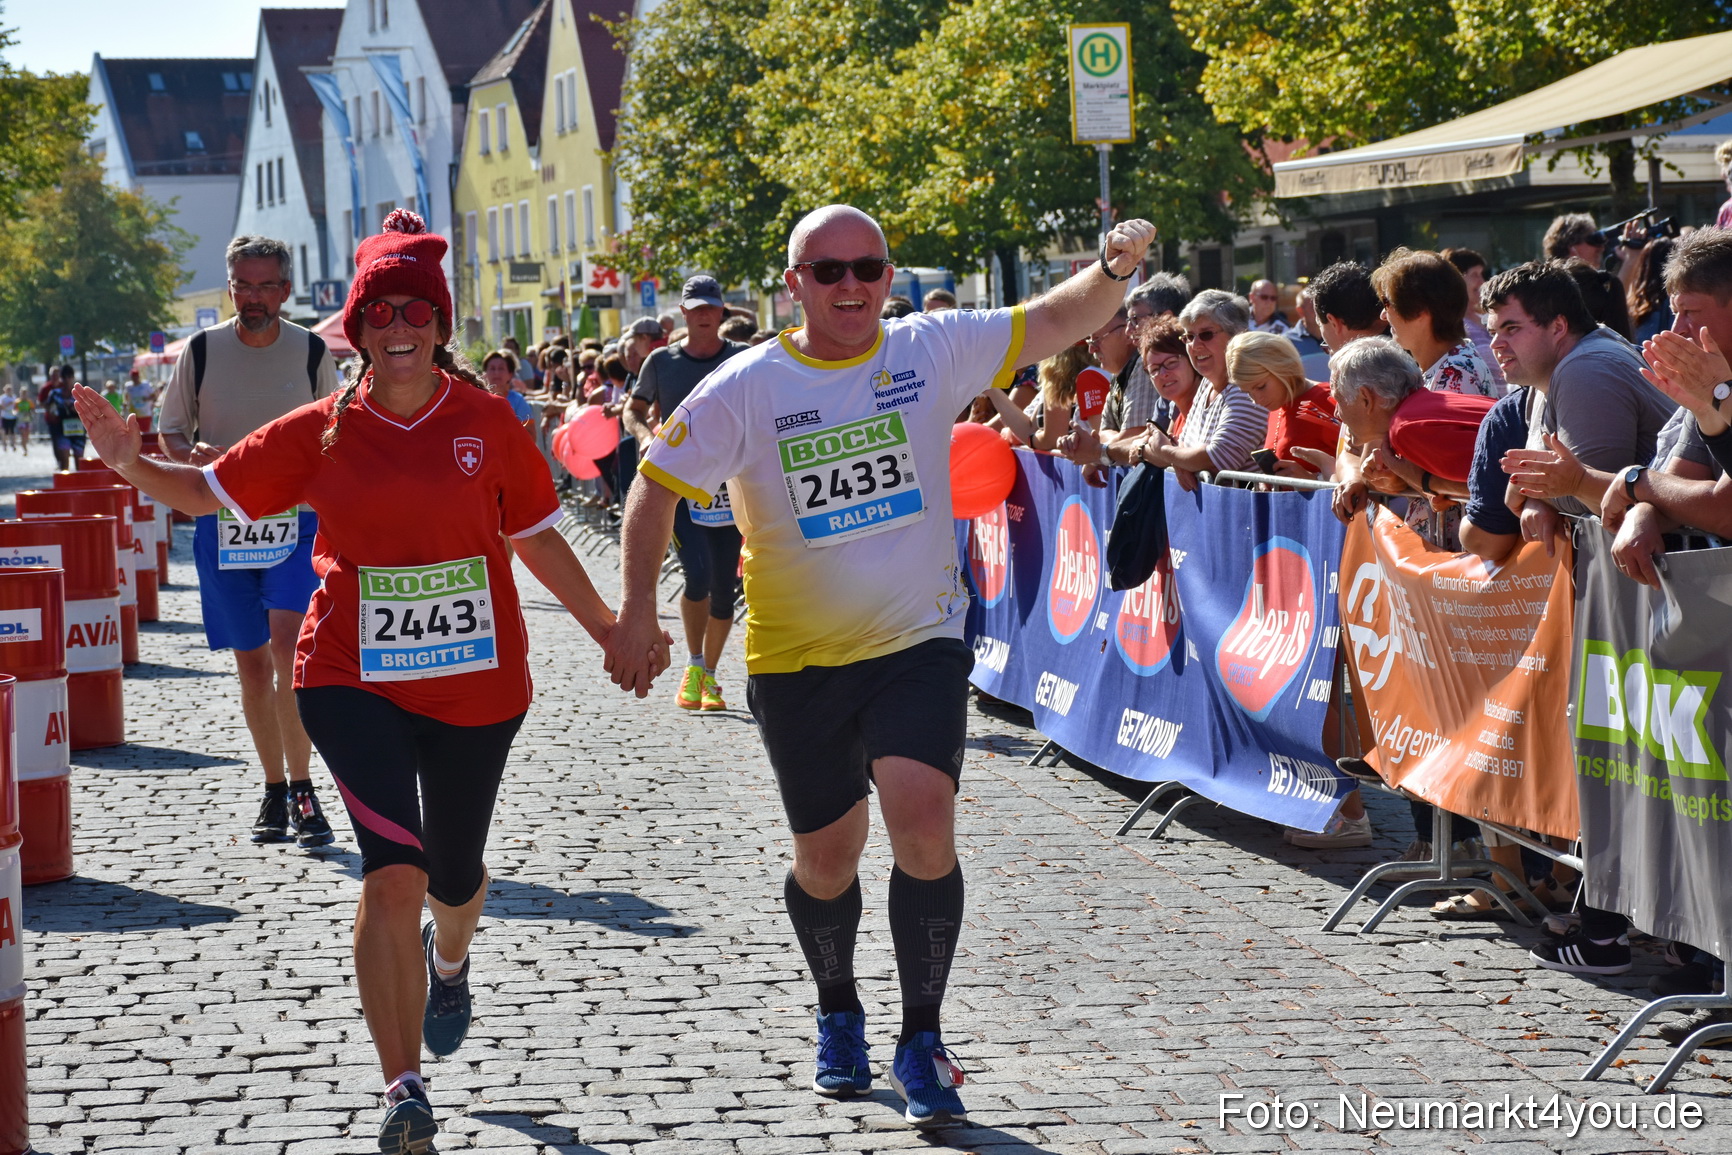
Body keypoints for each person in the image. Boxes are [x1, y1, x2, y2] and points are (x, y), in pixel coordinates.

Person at [73, 209, 639, 1155]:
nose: (401, 326)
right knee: (393, 874)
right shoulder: (322, 430)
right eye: (382, 311)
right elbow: (206, 491)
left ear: (442, 322)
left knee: (453, 881)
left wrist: (611, 626)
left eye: (419, 307)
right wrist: (134, 464)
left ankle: (448, 960)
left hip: (477, 687)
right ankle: (402, 1087)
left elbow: (537, 533)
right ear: (360, 328)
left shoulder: (487, 425)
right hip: (350, 677)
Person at [607, 204, 1156, 1127]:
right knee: (828, 859)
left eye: (869, 267)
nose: (853, 286)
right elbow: (653, 486)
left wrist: (1113, 267)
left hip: (919, 640)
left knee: (923, 818)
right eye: (829, 272)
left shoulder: (929, 348)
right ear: (795, 285)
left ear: (889, 275)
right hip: (795, 658)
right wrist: (633, 612)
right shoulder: (747, 385)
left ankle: (922, 1037)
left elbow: (1059, 320)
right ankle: (838, 1008)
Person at [156, 235, 341, 849]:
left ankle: (303, 786)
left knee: (290, 652)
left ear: (286, 290)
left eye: (266, 286)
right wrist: (197, 459)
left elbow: (336, 435)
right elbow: (172, 435)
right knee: (253, 665)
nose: (253, 297)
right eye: (242, 285)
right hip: (223, 524)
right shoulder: (201, 353)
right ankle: (272, 787)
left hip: (295, 525)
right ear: (229, 285)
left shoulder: (311, 351)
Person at [627, 275, 749, 710]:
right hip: (678, 490)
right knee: (695, 575)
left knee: (723, 586)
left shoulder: (742, 357)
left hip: (728, 489)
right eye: (695, 308)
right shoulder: (662, 361)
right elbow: (634, 409)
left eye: (710, 308)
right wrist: (644, 435)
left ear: (721, 312)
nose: (703, 315)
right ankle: (694, 664)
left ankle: (708, 676)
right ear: (683, 313)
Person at [1372, 248, 1499, 397]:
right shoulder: (1449, 364)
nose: (1383, 315)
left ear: (1419, 311)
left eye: (1387, 303)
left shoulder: (1455, 373)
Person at [1226, 331, 1338, 476]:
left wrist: (1314, 481)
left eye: (1260, 387)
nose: (1256, 400)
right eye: (1248, 392)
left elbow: (1359, 471)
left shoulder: (1326, 400)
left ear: (1281, 368)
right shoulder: (1277, 405)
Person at [1441, 248, 1507, 395]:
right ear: (1457, 278)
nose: (1482, 281)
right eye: (1475, 274)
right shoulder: (1453, 325)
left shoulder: (1489, 317)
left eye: (1481, 274)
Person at [482, 350, 535, 431]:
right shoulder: (478, 400)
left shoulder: (518, 401)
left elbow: (530, 435)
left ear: (510, 374)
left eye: (501, 368)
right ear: (485, 374)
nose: (496, 373)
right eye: (492, 368)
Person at [43, 365, 82, 471]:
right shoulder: (55, 394)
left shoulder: (80, 393)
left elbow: (88, 410)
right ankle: (66, 485)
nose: (67, 380)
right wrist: (52, 414)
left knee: (80, 461)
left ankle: (80, 485)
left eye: (69, 377)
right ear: (61, 378)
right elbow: (47, 407)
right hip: (62, 429)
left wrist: (75, 409)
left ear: (73, 377)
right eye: (64, 377)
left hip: (78, 430)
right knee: (64, 461)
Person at [0, 386, 16, 452]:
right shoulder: (2, 397)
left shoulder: (14, 396)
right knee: (5, 431)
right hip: (5, 416)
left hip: (13, 416)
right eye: (8, 390)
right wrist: (8, 404)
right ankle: (5, 444)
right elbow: (1, 406)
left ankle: (13, 444)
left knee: (12, 431)